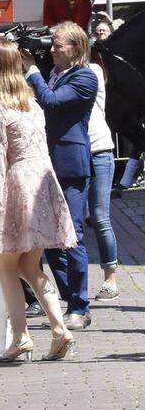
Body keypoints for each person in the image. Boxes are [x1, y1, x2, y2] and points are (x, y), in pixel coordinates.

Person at [0, 37, 77, 361]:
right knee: (30, 265)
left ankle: (20, 336)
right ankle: (60, 329)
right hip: (42, 181)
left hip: (18, 183)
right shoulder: (32, 103)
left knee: (5, 263)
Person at [24, 21, 98, 330]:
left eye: (59, 45)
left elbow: (52, 104)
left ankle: (80, 306)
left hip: (70, 164)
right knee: (52, 239)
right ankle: (67, 299)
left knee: (73, 236)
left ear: (77, 48)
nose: (52, 49)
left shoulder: (85, 77)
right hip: (46, 164)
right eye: (51, 45)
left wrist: (31, 71)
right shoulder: (54, 74)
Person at [85, 60, 120, 301]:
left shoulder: (92, 70)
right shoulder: (54, 73)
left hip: (98, 150)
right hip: (70, 153)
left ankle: (111, 279)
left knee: (99, 216)